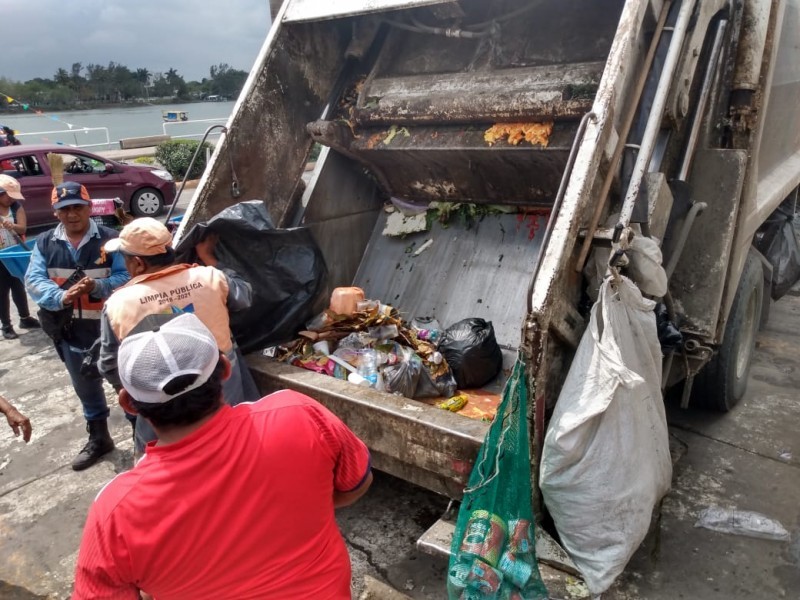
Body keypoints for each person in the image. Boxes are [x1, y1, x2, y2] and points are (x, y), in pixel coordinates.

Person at [73, 313, 372, 599]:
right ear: (226, 370)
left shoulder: (114, 514)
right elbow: (357, 482)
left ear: (129, 404)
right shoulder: (298, 413)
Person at [99, 217, 259, 456]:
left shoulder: (118, 303)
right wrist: (210, 259)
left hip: (160, 400)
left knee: (166, 457)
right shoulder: (210, 277)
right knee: (234, 444)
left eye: (125, 258)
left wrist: (137, 396)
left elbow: (110, 363)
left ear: (138, 263)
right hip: (220, 386)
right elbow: (244, 296)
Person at [25, 181, 129, 470]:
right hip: (70, 331)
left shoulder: (111, 240)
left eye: (77, 208)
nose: (72, 215)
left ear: (88, 207)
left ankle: (141, 434)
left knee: (126, 383)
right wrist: (61, 296)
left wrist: (98, 285)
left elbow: (129, 278)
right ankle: (99, 438)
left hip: (112, 330)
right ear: (56, 212)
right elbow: (33, 280)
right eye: (65, 209)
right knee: (85, 387)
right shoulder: (45, 243)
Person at [0, 174, 40, 339]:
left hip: (14, 252)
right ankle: (6, 326)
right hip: (0, 256)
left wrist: (12, 226)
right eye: (8, 196)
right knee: (2, 291)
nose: (11, 200)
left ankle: (25, 318)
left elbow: (22, 229)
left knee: (18, 285)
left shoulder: (16, 208)